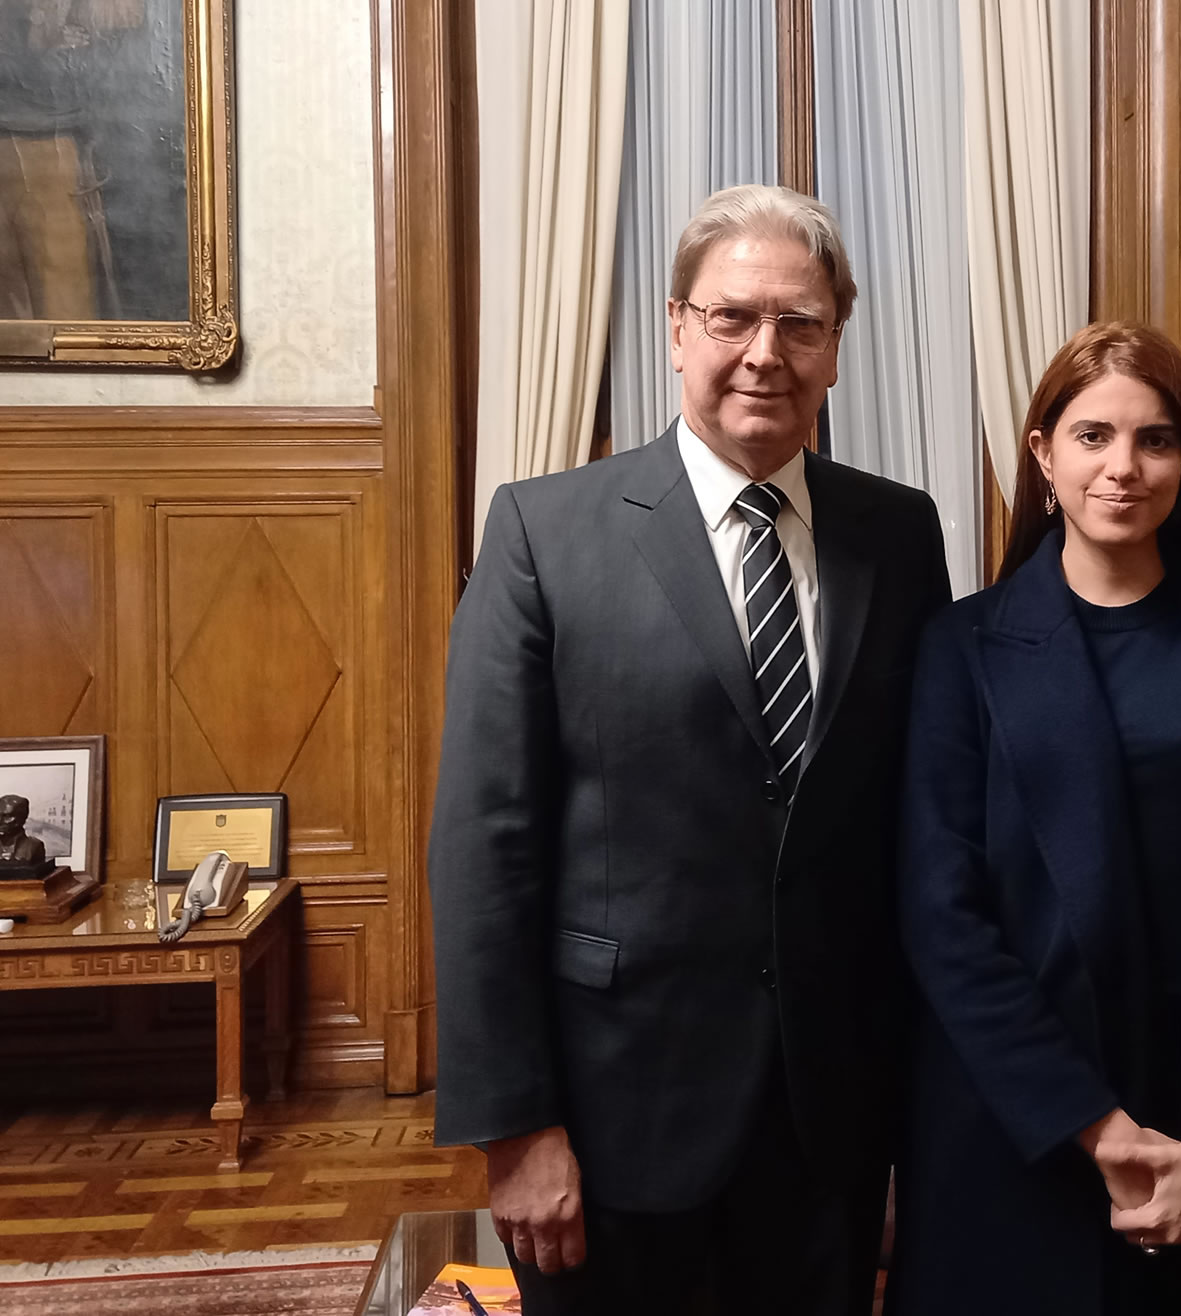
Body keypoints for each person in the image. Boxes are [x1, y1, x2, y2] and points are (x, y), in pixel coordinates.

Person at [429, 184, 951, 1316]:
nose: (766, 352)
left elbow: (918, 837)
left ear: (836, 346)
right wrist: (515, 1127)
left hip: (831, 1119)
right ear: (676, 328)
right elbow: (485, 846)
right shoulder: (542, 532)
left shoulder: (900, 534)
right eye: (732, 317)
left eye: (800, 323)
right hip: (616, 1120)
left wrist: (920, 1131)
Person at [888, 322, 1181, 1314]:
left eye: (1156, 439)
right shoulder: (961, 647)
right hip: (1018, 1129)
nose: (1124, 467)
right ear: (1043, 452)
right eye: (1093, 435)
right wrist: (1093, 1126)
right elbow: (942, 916)